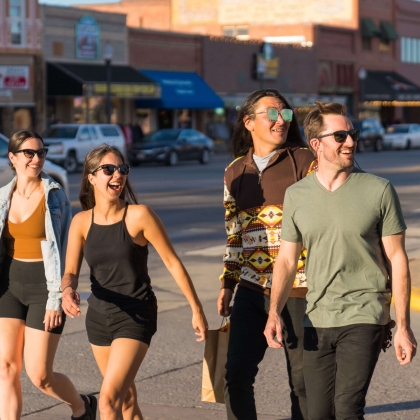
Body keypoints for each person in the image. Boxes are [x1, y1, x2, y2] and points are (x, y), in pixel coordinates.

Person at [264, 101, 417, 420]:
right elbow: (287, 261)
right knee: (317, 413)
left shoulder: (379, 190)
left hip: (366, 312)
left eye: (353, 134)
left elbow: (398, 259)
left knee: (347, 408)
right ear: (316, 144)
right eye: (341, 136)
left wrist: (403, 325)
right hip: (317, 315)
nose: (350, 142)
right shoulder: (297, 195)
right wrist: (274, 313)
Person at [61, 144, 208, 420]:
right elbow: (70, 271)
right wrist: (67, 290)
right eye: (109, 169)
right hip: (99, 317)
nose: (118, 175)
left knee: (107, 401)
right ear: (91, 177)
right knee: (126, 400)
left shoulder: (139, 215)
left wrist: (196, 309)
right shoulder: (81, 221)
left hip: (136, 315)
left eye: (122, 169)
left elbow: (173, 262)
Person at [218, 89, 316, 420]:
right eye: (272, 114)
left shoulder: (304, 161)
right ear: (248, 122)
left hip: (301, 290)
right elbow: (234, 236)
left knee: (303, 384)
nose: (281, 121)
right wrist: (228, 283)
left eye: (286, 115)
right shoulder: (234, 172)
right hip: (251, 289)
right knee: (235, 377)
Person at [0, 130, 96, 419]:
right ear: (12, 157)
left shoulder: (54, 196)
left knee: (40, 375)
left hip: (45, 288)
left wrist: (58, 296)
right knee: (6, 368)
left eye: (41, 153)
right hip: (8, 287)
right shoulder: (3, 197)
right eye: (29, 153)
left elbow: (68, 249)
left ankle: (81, 406)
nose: (36, 159)